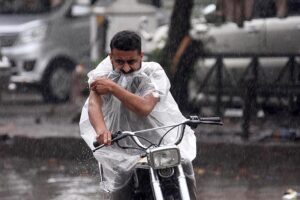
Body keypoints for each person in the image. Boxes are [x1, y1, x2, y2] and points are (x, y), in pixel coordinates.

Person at [79, 30, 197, 199]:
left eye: (131, 61)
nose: (126, 68)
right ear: (110, 57)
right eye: (119, 61)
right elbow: (93, 103)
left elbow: (144, 108)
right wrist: (101, 131)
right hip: (123, 144)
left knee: (185, 170)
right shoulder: (102, 73)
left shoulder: (154, 72)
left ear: (141, 56)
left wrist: (113, 88)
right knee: (120, 188)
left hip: (162, 141)